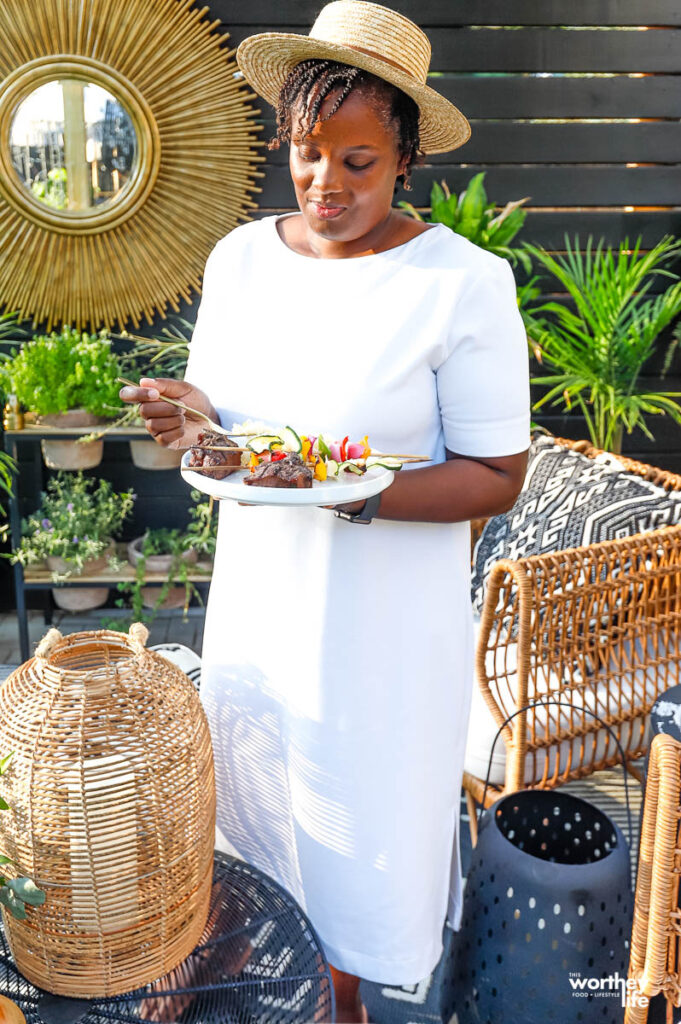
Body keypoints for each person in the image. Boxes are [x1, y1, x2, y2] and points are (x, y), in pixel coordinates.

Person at [120, 2, 530, 1020]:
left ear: (403, 160)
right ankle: (253, 971)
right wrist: (187, 417)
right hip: (264, 605)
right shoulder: (240, 260)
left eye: (358, 161)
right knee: (258, 811)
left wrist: (358, 492)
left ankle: (342, 997)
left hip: (383, 626)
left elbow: (497, 473)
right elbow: (221, 417)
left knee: (363, 829)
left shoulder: (462, 285)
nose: (327, 183)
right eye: (310, 153)